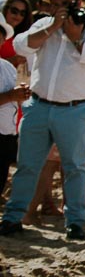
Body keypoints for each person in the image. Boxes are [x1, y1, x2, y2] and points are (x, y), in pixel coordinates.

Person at [0, 0, 85, 240]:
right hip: (39, 106)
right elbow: (20, 46)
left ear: (79, 2)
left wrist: (77, 40)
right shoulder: (44, 25)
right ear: (52, 5)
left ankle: (74, 222)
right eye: (59, 3)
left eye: (69, 2)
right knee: (28, 165)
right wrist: (52, 27)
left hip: (74, 109)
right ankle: (12, 217)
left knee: (74, 167)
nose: (64, 7)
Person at [0, 16, 32, 196]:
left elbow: (20, 99)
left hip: (5, 135)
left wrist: (22, 95)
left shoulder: (7, 67)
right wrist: (12, 95)